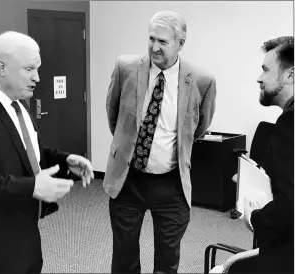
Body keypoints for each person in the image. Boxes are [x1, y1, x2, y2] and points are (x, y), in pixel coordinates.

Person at [0, 31, 94, 274]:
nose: (37, 78)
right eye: (29, 69)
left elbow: (28, 151)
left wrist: (64, 160)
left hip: (25, 237)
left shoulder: (19, 106)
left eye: (37, 69)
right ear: (2, 68)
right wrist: (32, 187)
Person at [104, 11, 216, 273]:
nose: (154, 47)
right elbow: (114, 116)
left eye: (163, 42)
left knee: (167, 259)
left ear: (181, 43)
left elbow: (198, 128)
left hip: (171, 183)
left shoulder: (202, 81)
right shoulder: (126, 68)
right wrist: (128, 149)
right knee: (123, 255)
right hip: (128, 180)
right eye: (151, 38)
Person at [243, 36, 294, 273]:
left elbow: (289, 206)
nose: (259, 77)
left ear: (290, 75)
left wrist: (254, 217)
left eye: (265, 69)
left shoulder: (290, 122)